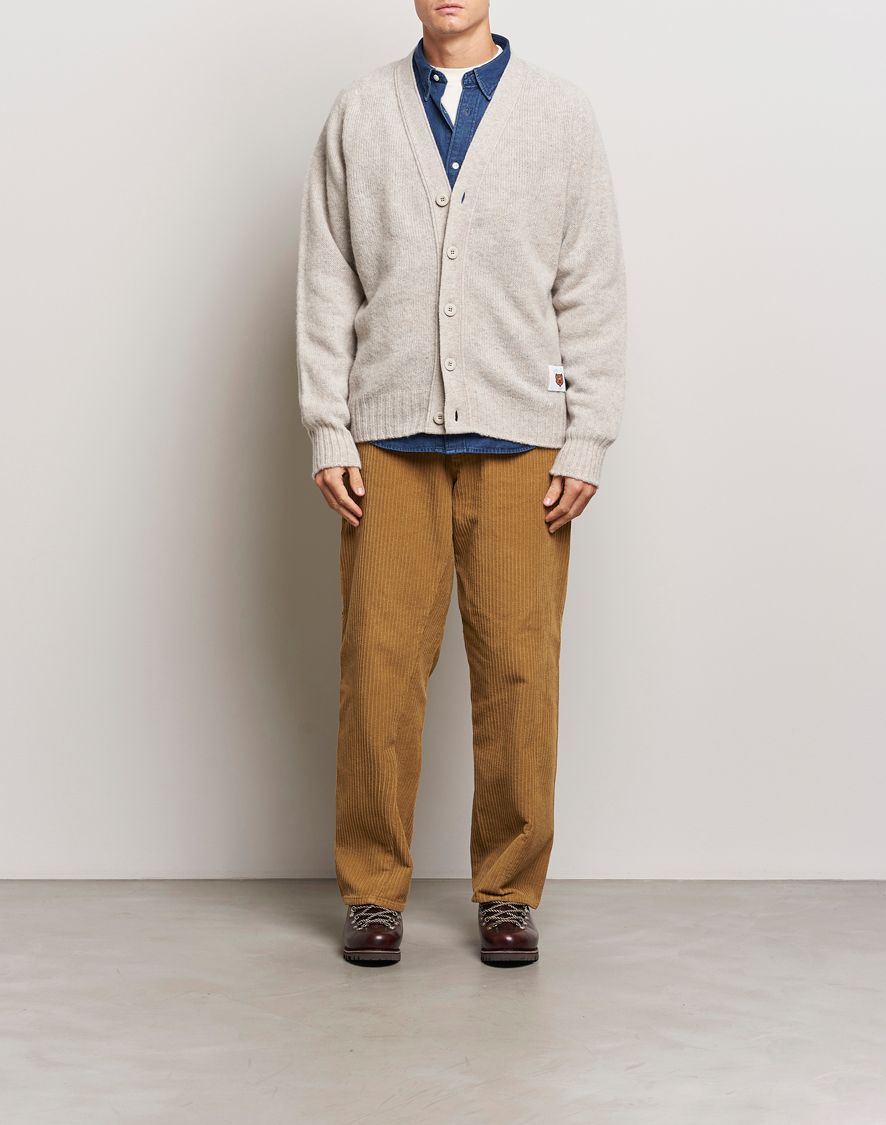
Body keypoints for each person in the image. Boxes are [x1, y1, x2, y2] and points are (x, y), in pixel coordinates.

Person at [296, 0, 626, 966]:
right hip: (388, 438)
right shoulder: (359, 113)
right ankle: (372, 894)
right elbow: (326, 280)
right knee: (378, 669)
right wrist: (328, 425)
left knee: (522, 671)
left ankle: (509, 891)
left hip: (525, 441)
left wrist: (587, 436)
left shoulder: (560, 114)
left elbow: (591, 282)